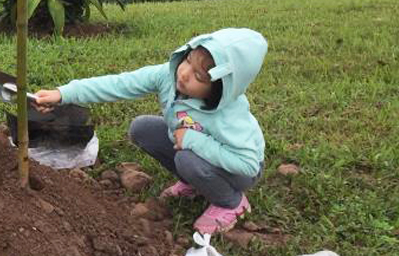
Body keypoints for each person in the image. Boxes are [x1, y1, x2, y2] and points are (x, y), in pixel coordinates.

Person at [33, 28, 267, 234]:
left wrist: (194, 140)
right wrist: (63, 94)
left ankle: (231, 203)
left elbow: (248, 164)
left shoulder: (229, 116)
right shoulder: (168, 75)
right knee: (142, 128)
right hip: (192, 146)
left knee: (187, 159)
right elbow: (119, 84)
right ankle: (194, 182)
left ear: (221, 88)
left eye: (198, 76)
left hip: (239, 168)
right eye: (187, 60)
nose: (184, 73)